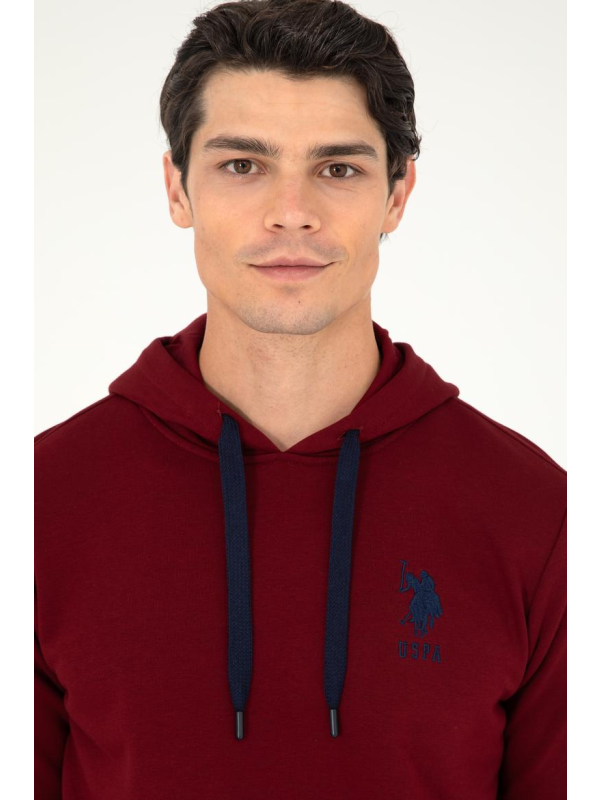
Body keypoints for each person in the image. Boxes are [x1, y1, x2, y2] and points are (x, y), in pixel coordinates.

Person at [34, 1, 567, 798]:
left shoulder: (532, 513)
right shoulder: (50, 498)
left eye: (338, 168)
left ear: (397, 195)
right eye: (242, 166)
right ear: (178, 189)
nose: (292, 213)